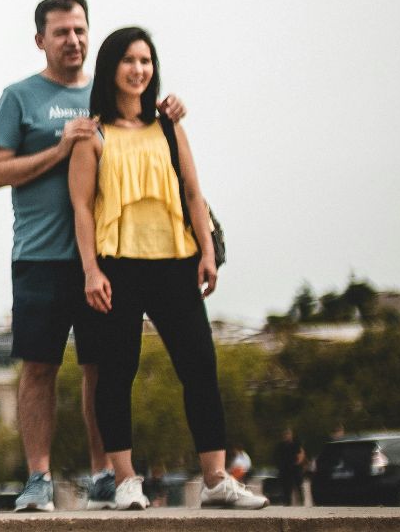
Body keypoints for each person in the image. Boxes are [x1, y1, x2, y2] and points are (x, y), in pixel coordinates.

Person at [0, 0, 184, 512]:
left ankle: (103, 475)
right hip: (40, 257)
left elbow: (149, 129)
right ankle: (38, 479)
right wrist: (57, 149)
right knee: (39, 368)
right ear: (40, 41)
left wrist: (171, 110)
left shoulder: (107, 92)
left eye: (80, 30)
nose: (72, 40)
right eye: (61, 32)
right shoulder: (19, 97)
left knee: (102, 368)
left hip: (107, 257)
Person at [67, 26, 264, 511]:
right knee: (118, 372)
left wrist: (207, 252)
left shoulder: (169, 126)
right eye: (129, 60)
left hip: (174, 261)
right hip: (117, 265)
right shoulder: (92, 135)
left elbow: (193, 193)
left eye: (147, 61)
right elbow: (82, 209)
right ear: (112, 67)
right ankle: (126, 480)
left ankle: (216, 479)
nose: (139, 70)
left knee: (199, 365)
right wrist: (91, 270)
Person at [274, 427, 306, 506]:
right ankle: (287, 502)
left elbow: (300, 455)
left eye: (288, 434)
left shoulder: (296, 444)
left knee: (298, 485)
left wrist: (298, 463)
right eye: (285, 434)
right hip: (284, 468)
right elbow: (277, 456)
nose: (286, 436)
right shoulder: (280, 445)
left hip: (295, 468)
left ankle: (301, 501)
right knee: (286, 486)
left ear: (291, 435)